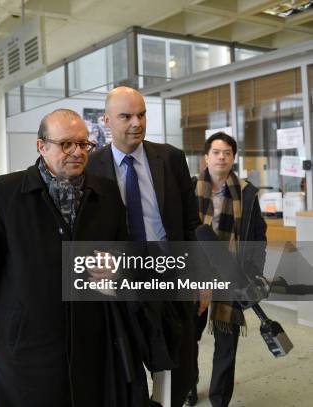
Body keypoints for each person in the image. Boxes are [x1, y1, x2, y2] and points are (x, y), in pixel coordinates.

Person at [0, 108, 152, 406]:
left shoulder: (106, 193)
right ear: (41, 146)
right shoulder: (6, 193)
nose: (77, 152)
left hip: (93, 344)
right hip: (26, 351)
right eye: (66, 144)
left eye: (84, 144)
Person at [87, 86, 203, 407]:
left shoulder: (170, 158)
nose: (137, 123)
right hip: (122, 290)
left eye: (141, 114)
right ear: (107, 120)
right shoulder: (91, 168)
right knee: (128, 376)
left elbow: (191, 225)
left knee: (177, 375)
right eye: (126, 116)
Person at [187, 132, 267, 407]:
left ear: (233, 158)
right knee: (188, 337)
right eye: (217, 152)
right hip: (194, 274)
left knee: (226, 342)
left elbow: (258, 235)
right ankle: (188, 384)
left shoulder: (246, 192)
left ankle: (219, 398)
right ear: (206, 157)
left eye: (227, 153)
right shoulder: (188, 189)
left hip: (230, 273)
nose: (222, 157)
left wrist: (254, 271)